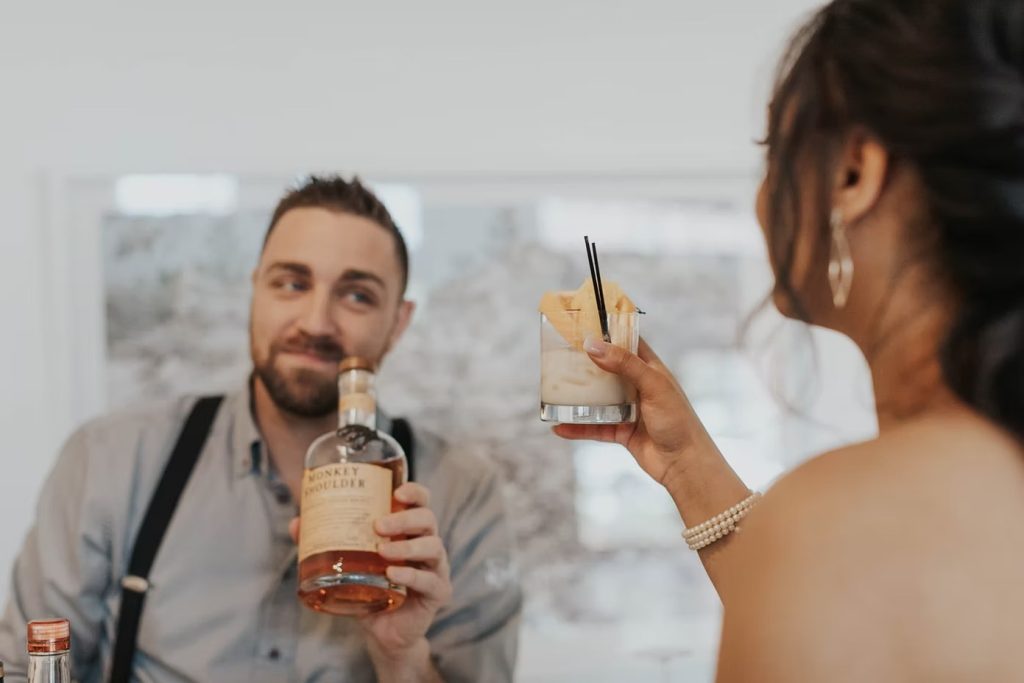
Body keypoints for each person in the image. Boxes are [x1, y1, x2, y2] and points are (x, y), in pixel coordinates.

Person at [558, 0, 1024, 680]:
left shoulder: (836, 519)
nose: (764, 194)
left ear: (853, 173)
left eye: (775, 153)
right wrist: (689, 467)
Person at [0, 176, 522, 682]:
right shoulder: (109, 459)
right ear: (256, 292)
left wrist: (400, 655)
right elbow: (28, 669)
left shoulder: (462, 492)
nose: (316, 322)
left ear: (399, 321)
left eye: (357, 295)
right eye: (292, 284)